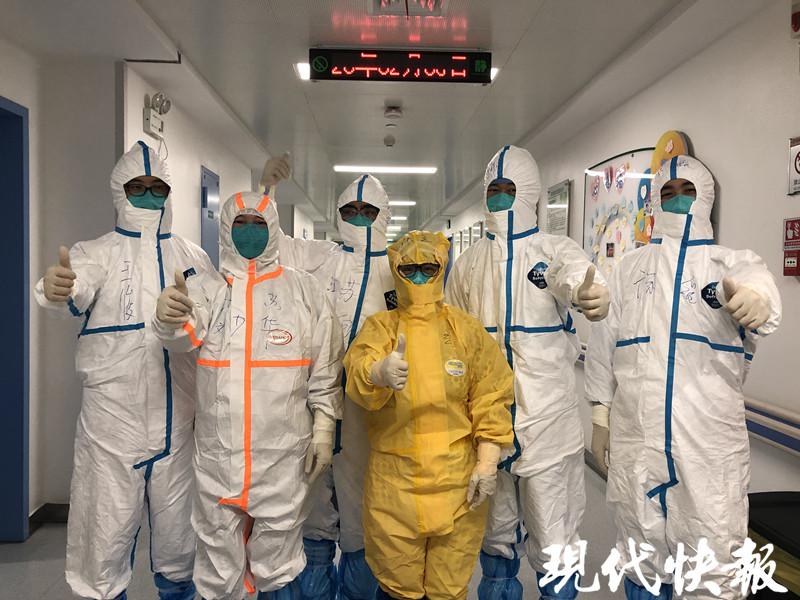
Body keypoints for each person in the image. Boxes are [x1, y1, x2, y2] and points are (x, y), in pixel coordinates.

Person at [584, 155, 782, 600]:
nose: (677, 201)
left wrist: (758, 300)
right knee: (641, 556)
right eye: (668, 193)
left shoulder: (728, 264)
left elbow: (759, 285)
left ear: (705, 197)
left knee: (711, 567)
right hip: (638, 445)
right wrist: (599, 416)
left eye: (687, 192)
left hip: (707, 453)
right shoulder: (630, 269)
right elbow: (603, 347)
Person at [34, 141, 213, 600]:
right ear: (120, 190)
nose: (149, 197)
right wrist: (55, 289)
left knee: (180, 546)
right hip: (111, 432)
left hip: (180, 427)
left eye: (158, 188)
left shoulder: (192, 257)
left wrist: (183, 321)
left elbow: (211, 319)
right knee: (104, 544)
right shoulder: (95, 253)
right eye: (138, 187)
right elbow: (74, 287)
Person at [151, 190, 344, 600]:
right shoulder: (206, 288)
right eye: (240, 223)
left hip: (283, 457)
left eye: (259, 224)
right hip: (218, 458)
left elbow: (326, 368)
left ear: (274, 229)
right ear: (225, 228)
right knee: (217, 563)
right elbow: (183, 335)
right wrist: (168, 317)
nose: (250, 232)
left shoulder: (304, 290)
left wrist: (324, 430)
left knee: (279, 562)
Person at [445, 145, 610, 600]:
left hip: (548, 427)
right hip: (487, 429)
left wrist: (590, 294)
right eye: (493, 189)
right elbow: (451, 337)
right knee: (494, 539)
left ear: (530, 192)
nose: (500, 197)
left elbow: (575, 275)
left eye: (509, 188)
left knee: (554, 539)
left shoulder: (553, 250)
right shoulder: (469, 263)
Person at [343, 230, 515, 600]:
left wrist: (488, 462)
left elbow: (491, 396)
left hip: (457, 485)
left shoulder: (465, 330)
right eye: (409, 269)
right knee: (398, 588)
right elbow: (357, 368)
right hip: (395, 487)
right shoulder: (381, 328)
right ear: (396, 271)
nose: (419, 277)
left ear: (442, 268)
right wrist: (377, 372)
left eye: (428, 268)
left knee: (448, 588)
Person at [261, 156, 395, 600]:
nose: (358, 218)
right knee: (313, 492)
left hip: (372, 407)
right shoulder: (321, 256)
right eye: (350, 211)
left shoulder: (398, 268)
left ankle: (359, 586)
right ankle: (315, 585)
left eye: (368, 211)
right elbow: (271, 244)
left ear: (383, 214)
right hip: (315, 398)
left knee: (361, 501)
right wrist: (267, 192)